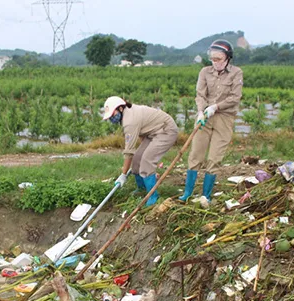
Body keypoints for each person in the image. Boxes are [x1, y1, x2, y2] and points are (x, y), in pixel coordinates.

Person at [180, 40, 244, 203]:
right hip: (204, 118)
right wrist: (201, 111)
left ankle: (206, 195)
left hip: (224, 118)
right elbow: (200, 94)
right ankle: (188, 193)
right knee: (196, 154)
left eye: (219, 59)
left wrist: (216, 106)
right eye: (212, 59)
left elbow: (235, 97)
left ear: (227, 58)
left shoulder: (236, 73)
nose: (215, 63)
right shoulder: (205, 72)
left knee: (215, 157)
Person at [103, 96, 178, 207]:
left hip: (165, 130)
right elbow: (142, 131)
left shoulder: (129, 121)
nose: (111, 119)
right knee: (138, 159)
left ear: (120, 108)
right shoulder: (128, 113)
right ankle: (142, 189)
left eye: (112, 115)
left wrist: (123, 175)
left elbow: (129, 152)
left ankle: (153, 196)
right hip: (152, 133)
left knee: (147, 161)